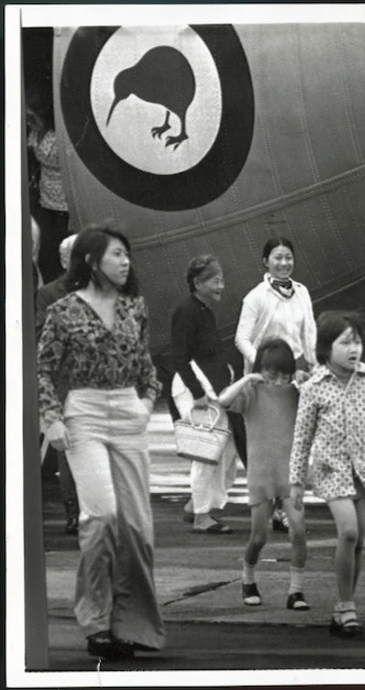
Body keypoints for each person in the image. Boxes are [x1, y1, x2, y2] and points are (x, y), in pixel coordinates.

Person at [37, 224, 165, 660]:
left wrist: (147, 402)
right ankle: (96, 620)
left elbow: (146, 365)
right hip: (85, 415)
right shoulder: (64, 311)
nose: (126, 261)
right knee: (101, 516)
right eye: (116, 254)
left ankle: (128, 624)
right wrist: (50, 418)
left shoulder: (135, 308)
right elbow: (42, 370)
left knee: (136, 527)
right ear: (92, 261)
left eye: (127, 254)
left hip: (128, 413)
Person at [289, 311, 365, 638]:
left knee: (358, 542)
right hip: (331, 472)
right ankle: (347, 605)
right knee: (349, 533)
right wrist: (296, 482)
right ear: (326, 348)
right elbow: (302, 438)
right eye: (345, 342)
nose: (354, 349)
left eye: (357, 341)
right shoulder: (314, 387)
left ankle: (343, 608)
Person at [219, 337, 310, 609]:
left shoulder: (296, 392)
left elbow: (323, 399)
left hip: (290, 473)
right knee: (259, 536)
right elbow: (222, 400)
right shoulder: (252, 393)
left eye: (284, 373)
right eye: (272, 373)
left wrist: (306, 381)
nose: (279, 380)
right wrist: (248, 379)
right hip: (261, 473)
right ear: (261, 368)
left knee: (299, 531)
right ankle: (247, 577)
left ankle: (296, 591)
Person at [235, 237, 317, 532]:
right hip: (265, 377)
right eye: (277, 258)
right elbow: (241, 337)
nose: (284, 263)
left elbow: (309, 330)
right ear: (265, 262)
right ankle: (270, 503)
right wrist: (260, 364)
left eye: (288, 258)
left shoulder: (302, 292)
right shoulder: (256, 297)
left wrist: (312, 365)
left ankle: (289, 504)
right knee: (269, 442)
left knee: (295, 440)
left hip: (294, 374)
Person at [170, 255, 247, 534]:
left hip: (207, 389)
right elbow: (179, 356)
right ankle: (202, 516)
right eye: (215, 280)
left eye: (221, 279)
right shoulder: (187, 311)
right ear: (197, 283)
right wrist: (197, 392)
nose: (221, 285)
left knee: (225, 448)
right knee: (205, 450)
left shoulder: (204, 311)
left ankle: (197, 505)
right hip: (193, 389)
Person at [35, 233, 80, 534]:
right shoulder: (49, 294)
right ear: (65, 261)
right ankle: (73, 510)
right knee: (69, 450)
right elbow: (41, 334)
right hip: (66, 381)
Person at [27, 85, 70, 284]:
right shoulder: (35, 133)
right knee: (44, 246)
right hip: (45, 194)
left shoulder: (58, 136)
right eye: (27, 118)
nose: (30, 122)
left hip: (63, 198)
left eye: (33, 117)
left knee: (60, 244)